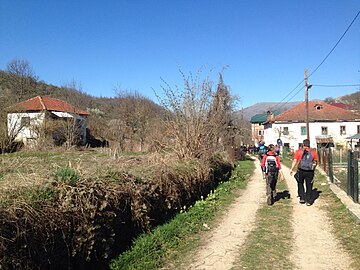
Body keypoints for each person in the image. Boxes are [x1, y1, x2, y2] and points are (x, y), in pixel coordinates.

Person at [289, 139, 318, 206]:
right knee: (309, 185)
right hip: (310, 171)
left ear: (303, 144)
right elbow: (315, 162)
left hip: (300, 170)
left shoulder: (298, 152)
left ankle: (302, 198)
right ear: (309, 145)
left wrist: (291, 169)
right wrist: (313, 169)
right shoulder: (313, 152)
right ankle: (308, 201)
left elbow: (295, 160)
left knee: (300, 183)